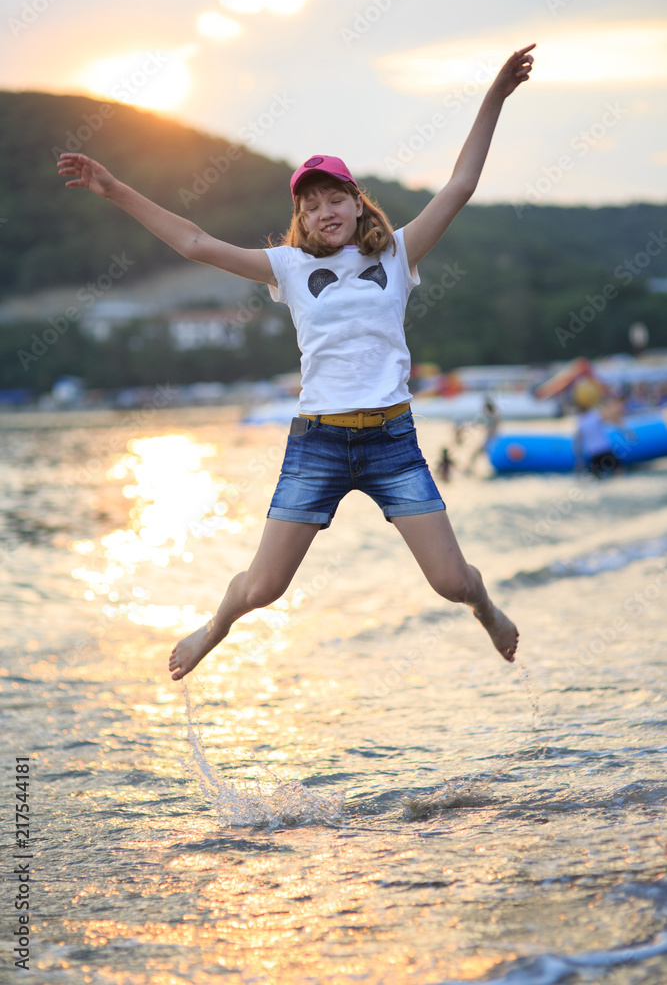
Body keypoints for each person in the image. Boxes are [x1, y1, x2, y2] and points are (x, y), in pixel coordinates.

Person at [58, 43, 535, 681]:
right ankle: (214, 626)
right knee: (262, 589)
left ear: (357, 201)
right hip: (319, 443)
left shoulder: (395, 254)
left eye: (333, 198)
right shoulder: (286, 266)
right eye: (308, 206)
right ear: (299, 220)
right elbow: (196, 242)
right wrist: (115, 189)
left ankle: (487, 609)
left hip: (392, 438)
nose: (322, 212)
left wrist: (495, 95)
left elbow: (461, 184)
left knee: (451, 581)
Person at [465, 396, 500, 475]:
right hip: (492, 438)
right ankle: (470, 468)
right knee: (481, 454)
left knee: (478, 453)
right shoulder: (494, 415)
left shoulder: (492, 416)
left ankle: (469, 469)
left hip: (490, 439)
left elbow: (491, 428)